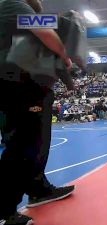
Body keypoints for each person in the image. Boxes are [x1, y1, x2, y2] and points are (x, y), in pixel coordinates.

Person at [0, 0, 75, 224]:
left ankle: (37, 188)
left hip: (21, 83)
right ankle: (4, 212)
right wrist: (65, 54)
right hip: (16, 84)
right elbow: (46, 31)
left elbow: (47, 25)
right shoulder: (14, 4)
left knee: (33, 142)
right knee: (20, 146)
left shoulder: (15, 15)